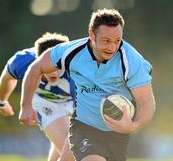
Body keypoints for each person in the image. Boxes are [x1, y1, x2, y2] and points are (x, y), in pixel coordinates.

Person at [19, 8, 156, 161]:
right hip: (84, 126)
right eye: (106, 41)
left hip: (117, 134)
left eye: (117, 40)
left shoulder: (131, 61)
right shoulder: (71, 52)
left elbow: (146, 101)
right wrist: (26, 106)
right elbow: (37, 68)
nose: (112, 47)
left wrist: (133, 126)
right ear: (92, 34)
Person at [0, 32, 75, 161]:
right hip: (43, 102)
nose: (54, 71)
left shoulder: (76, 63)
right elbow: (6, 79)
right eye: (50, 66)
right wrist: (1, 101)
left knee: (68, 147)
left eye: (58, 65)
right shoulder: (23, 61)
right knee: (75, 152)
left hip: (72, 102)